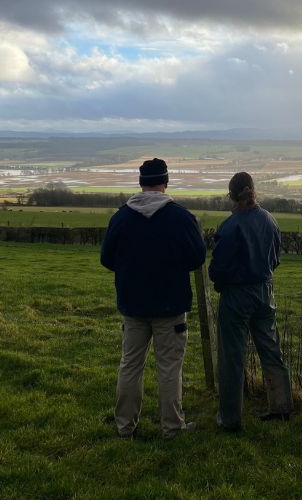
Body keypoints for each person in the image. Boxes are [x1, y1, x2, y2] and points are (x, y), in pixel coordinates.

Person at [100, 158, 206, 439]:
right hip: (171, 305)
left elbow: (106, 259)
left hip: (133, 305)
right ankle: (172, 427)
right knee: (169, 367)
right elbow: (197, 258)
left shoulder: (121, 218)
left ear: (140, 183)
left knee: (130, 364)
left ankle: (124, 426)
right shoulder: (181, 218)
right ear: (166, 182)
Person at [209, 171, 293, 431]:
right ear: (254, 191)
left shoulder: (230, 226)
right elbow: (275, 259)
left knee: (232, 356)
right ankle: (281, 407)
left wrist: (223, 284)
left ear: (231, 196)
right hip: (265, 291)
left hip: (236, 296)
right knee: (271, 350)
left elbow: (217, 270)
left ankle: (230, 418)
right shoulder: (270, 220)